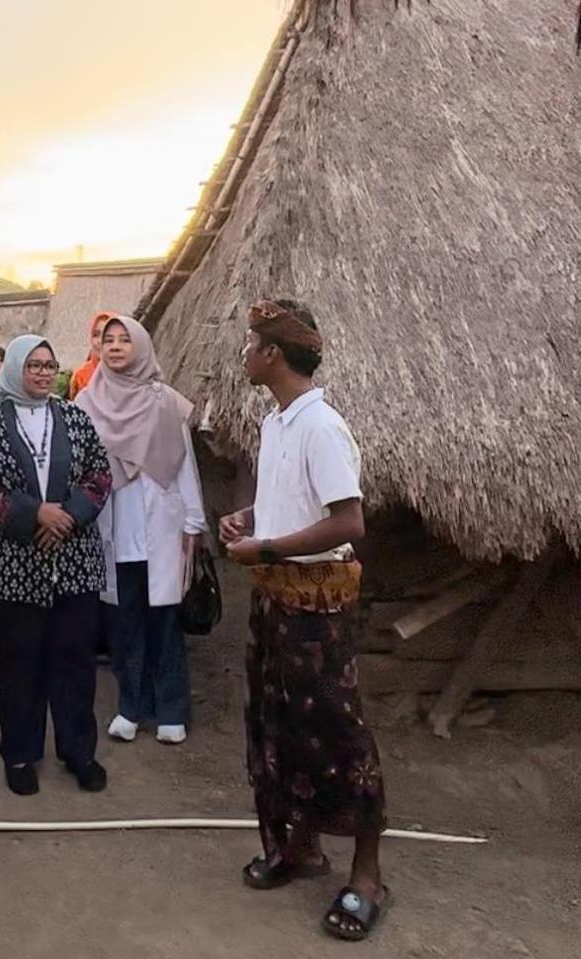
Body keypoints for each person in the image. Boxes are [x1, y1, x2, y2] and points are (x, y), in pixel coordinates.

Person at [220, 299, 386, 942]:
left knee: (337, 730)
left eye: (251, 342)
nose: (244, 352)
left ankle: (367, 875)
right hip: (275, 595)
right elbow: (293, 503)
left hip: (319, 604)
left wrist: (264, 547)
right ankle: (301, 846)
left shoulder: (322, 426)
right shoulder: (278, 423)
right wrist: (255, 520)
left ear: (273, 354)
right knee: (279, 723)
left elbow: (348, 522)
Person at [0, 335, 112, 797]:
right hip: (15, 566)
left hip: (74, 563)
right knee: (19, 663)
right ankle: (20, 754)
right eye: (34, 365)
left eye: (50, 365)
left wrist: (65, 517)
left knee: (74, 662)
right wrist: (33, 516)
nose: (44, 373)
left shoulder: (73, 417)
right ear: (15, 371)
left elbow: (100, 474)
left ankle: (79, 752)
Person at [75, 315, 207, 746]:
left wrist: (193, 519)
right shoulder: (88, 403)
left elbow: (184, 462)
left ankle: (171, 710)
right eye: (108, 340)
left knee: (165, 621)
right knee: (123, 624)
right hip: (114, 527)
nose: (114, 347)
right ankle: (131, 706)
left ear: (140, 346)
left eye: (123, 340)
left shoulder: (164, 400)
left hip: (162, 526)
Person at [66, 312, 113, 400]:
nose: (100, 341)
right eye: (96, 335)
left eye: (107, 336)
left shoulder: (131, 376)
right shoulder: (81, 376)